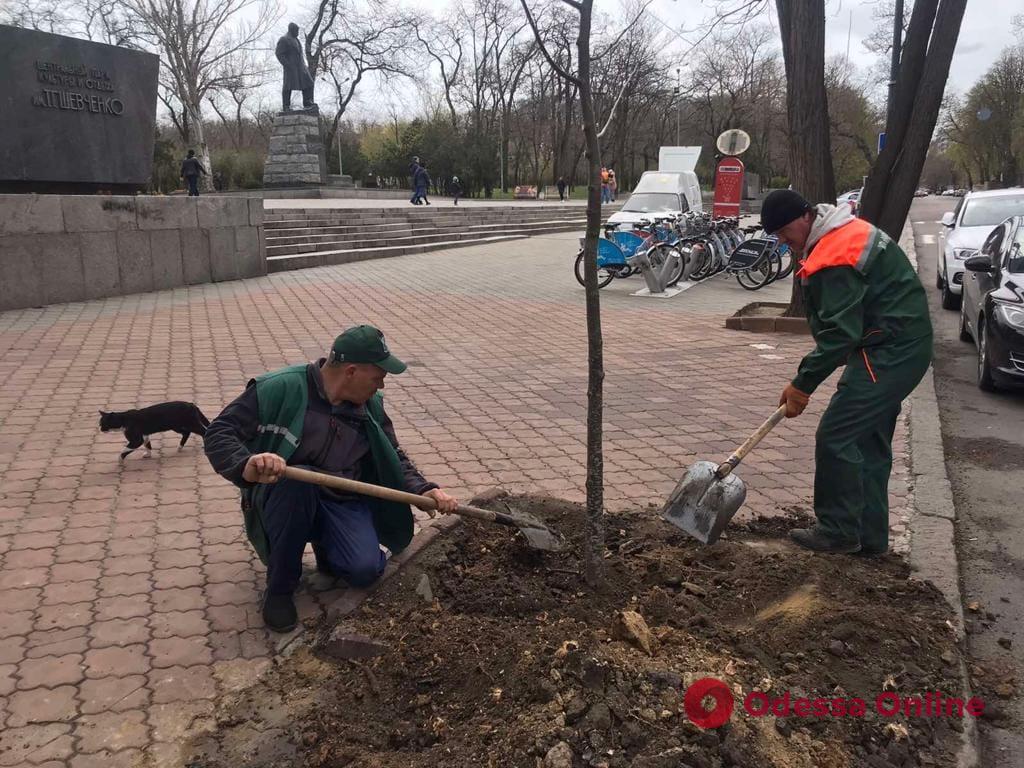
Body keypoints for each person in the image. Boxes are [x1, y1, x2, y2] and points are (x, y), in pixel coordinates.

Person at [204, 325, 459, 631]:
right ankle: (280, 588)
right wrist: (247, 463)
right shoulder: (280, 388)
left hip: (341, 500)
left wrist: (426, 489)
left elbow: (393, 455)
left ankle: (329, 549)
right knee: (299, 480)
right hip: (285, 497)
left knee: (364, 570)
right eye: (378, 377)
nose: (380, 386)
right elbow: (220, 432)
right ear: (351, 371)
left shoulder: (370, 407)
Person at [762, 189, 933, 556]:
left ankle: (837, 530)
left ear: (805, 217)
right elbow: (844, 327)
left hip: (889, 351)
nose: (782, 240)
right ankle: (870, 540)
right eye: (775, 235)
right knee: (867, 442)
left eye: (783, 231)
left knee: (836, 436)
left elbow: (841, 333)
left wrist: (802, 382)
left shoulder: (834, 253)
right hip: (894, 343)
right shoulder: (835, 235)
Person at [275, 22, 316, 111]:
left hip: (301, 67)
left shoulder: (296, 40)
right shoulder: (284, 39)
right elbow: (279, 54)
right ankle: (286, 106)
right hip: (291, 68)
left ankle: (307, 103)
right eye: (297, 31)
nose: (298, 33)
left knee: (309, 83)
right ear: (292, 30)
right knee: (287, 86)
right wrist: (287, 65)